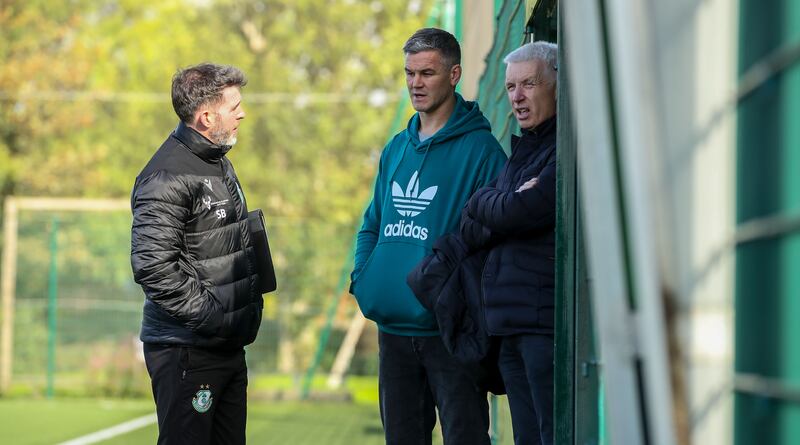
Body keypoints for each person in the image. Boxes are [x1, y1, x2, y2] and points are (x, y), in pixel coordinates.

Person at [349, 28, 507, 445]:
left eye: (427, 73)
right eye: (409, 73)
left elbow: (495, 239)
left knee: (465, 438)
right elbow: (372, 223)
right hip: (394, 333)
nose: (416, 83)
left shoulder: (483, 151)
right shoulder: (395, 149)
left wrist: (458, 299)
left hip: (449, 332)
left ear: (454, 74)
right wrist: (363, 278)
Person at [130, 63, 263, 445]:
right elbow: (153, 267)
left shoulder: (217, 160)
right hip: (188, 350)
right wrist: (214, 317)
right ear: (206, 116)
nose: (242, 113)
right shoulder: (166, 175)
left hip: (225, 346)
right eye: (234, 105)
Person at [459, 41, 558, 445]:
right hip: (508, 326)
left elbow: (521, 212)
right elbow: (471, 222)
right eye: (511, 86)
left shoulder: (563, 149)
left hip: (543, 328)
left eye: (529, 84)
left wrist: (497, 205)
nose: (517, 97)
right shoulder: (522, 151)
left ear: (557, 84)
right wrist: (495, 203)